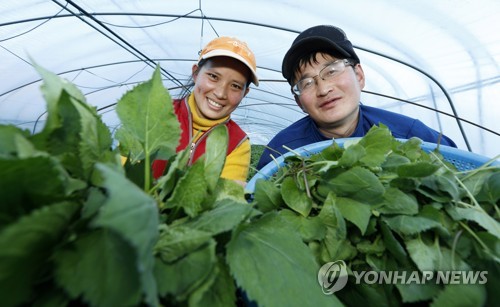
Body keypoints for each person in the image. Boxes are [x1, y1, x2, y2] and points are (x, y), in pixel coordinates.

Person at [257, 25, 456, 169]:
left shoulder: (409, 135)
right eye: (307, 83)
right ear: (299, 101)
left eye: (332, 70)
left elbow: (460, 170)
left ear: (359, 76)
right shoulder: (282, 153)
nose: (323, 89)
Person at [152, 36, 259, 186]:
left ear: (245, 93)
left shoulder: (238, 143)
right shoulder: (157, 111)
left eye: (235, 86)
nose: (221, 93)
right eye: (214, 77)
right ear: (196, 73)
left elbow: (223, 201)